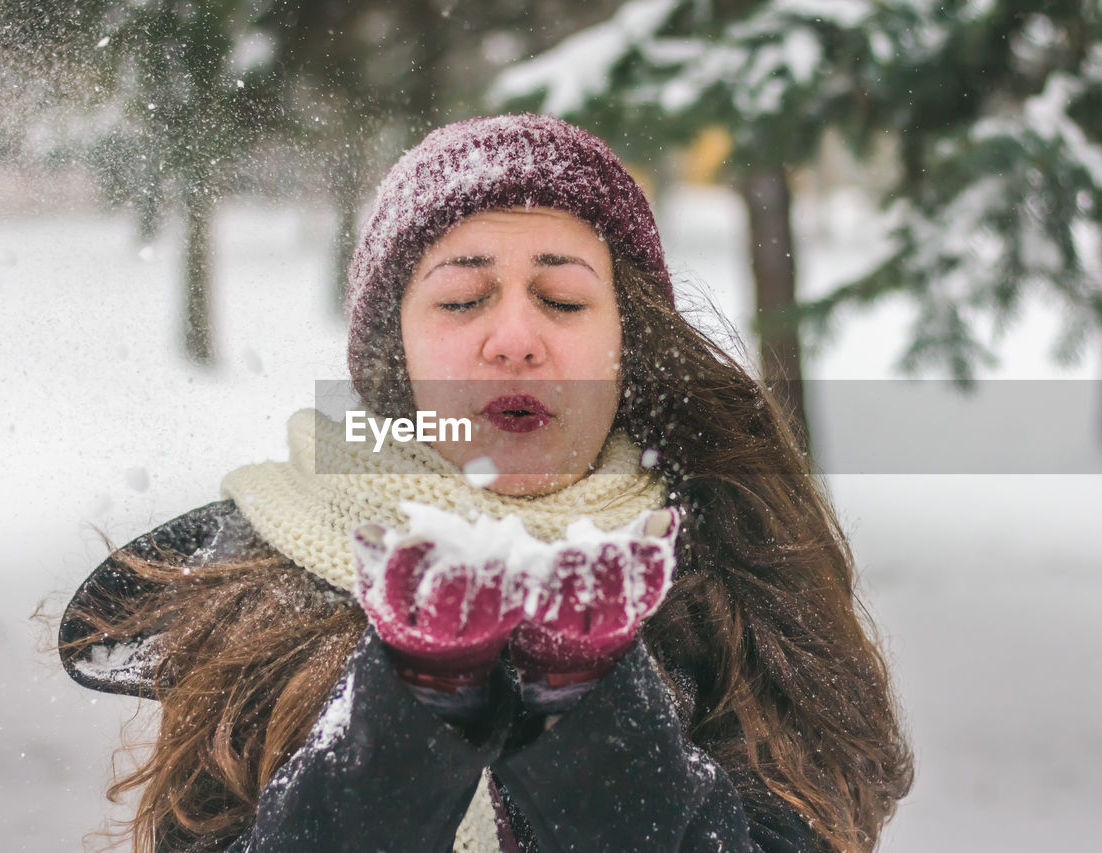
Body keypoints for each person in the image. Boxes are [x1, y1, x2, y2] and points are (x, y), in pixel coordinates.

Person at [59, 115, 914, 853]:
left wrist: (584, 699)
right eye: (463, 299)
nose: (514, 338)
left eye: (565, 300)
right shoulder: (254, 579)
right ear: (396, 357)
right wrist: (412, 702)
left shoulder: (724, 572)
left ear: (630, 341)